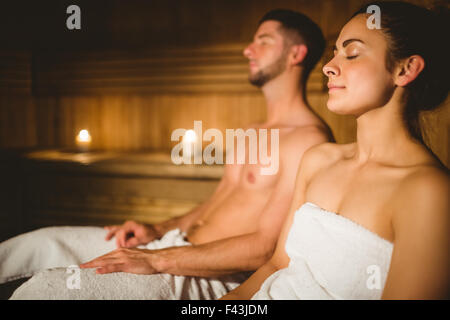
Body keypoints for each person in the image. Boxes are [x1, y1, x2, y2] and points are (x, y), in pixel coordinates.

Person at [2, 9, 333, 299]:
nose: (248, 49)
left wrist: (156, 260)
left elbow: (267, 247)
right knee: (35, 245)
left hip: (210, 273)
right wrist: (157, 230)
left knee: (46, 291)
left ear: (296, 54)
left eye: (263, 40)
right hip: (174, 245)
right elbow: (216, 204)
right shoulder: (251, 130)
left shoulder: (309, 140)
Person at [221, 1, 449, 300]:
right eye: (335, 53)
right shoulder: (318, 160)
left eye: (352, 53)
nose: (329, 66)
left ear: (406, 69)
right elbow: (277, 265)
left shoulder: (428, 192)